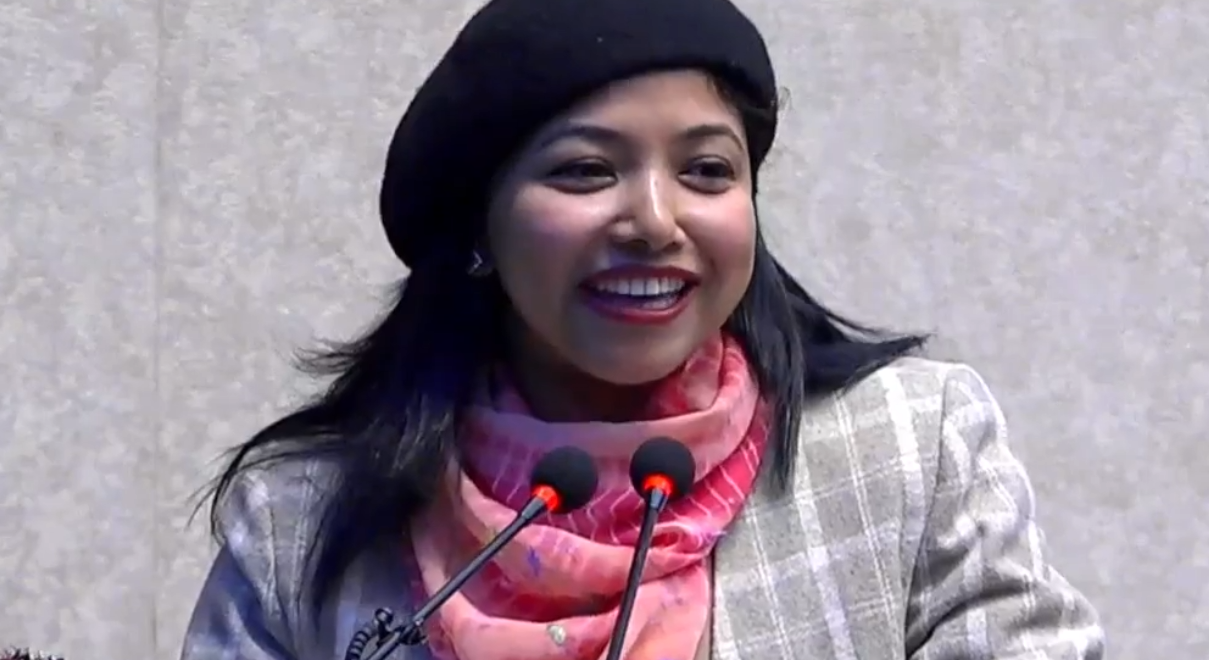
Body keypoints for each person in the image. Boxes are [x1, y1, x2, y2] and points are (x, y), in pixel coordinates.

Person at [180, 0, 1105, 658]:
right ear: (478, 226)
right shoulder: (297, 521)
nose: (655, 222)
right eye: (585, 171)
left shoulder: (908, 451)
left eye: (706, 171)